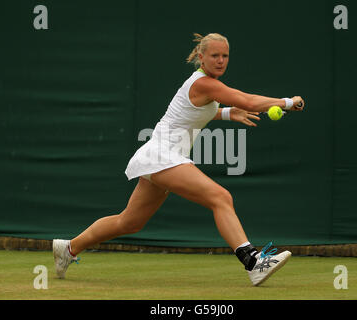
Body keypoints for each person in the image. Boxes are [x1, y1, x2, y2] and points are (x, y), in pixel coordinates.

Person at [53, 32, 305, 286]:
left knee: (129, 222)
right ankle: (253, 262)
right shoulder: (205, 84)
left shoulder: (204, 85)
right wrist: (287, 102)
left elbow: (196, 112)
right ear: (200, 56)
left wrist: (229, 114)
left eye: (225, 55)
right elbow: (248, 100)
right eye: (214, 55)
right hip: (164, 154)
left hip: (159, 155)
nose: (220, 60)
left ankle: (69, 248)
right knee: (220, 198)